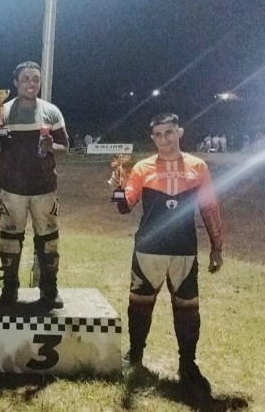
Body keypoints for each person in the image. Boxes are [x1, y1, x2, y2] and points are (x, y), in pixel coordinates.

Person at [112, 113, 224, 397]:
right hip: (148, 249)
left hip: (184, 251)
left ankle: (187, 364)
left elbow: (209, 207)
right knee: (139, 305)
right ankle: (135, 355)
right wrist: (118, 190)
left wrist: (217, 247)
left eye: (169, 132)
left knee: (187, 310)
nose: (164, 140)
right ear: (153, 138)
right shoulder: (142, 167)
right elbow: (126, 206)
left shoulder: (198, 166)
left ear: (180, 132)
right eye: (159, 135)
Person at [0, 61, 69, 309]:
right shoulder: (1, 112)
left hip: (45, 188)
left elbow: (65, 149)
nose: (31, 83)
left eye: (35, 79)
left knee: (49, 240)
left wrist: (52, 146)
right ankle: (9, 288)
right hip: (11, 188)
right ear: (15, 83)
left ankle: (49, 290)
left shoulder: (51, 112)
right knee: (10, 239)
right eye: (26, 79)